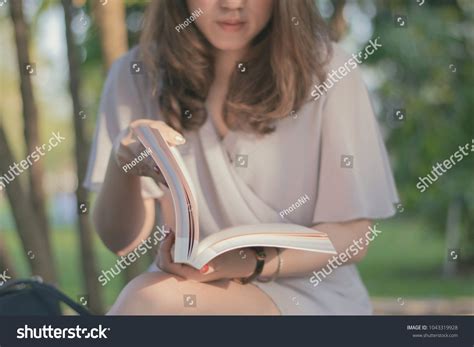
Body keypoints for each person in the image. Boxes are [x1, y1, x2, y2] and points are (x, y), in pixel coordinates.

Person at [84, 0, 399, 315]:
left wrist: (249, 261)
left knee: (148, 301)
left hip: (309, 293)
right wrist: (122, 163)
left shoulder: (330, 72)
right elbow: (121, 242)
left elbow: (353, 237)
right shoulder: (138, 74)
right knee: (151, 299)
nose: (232, 4)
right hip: (189, 287)